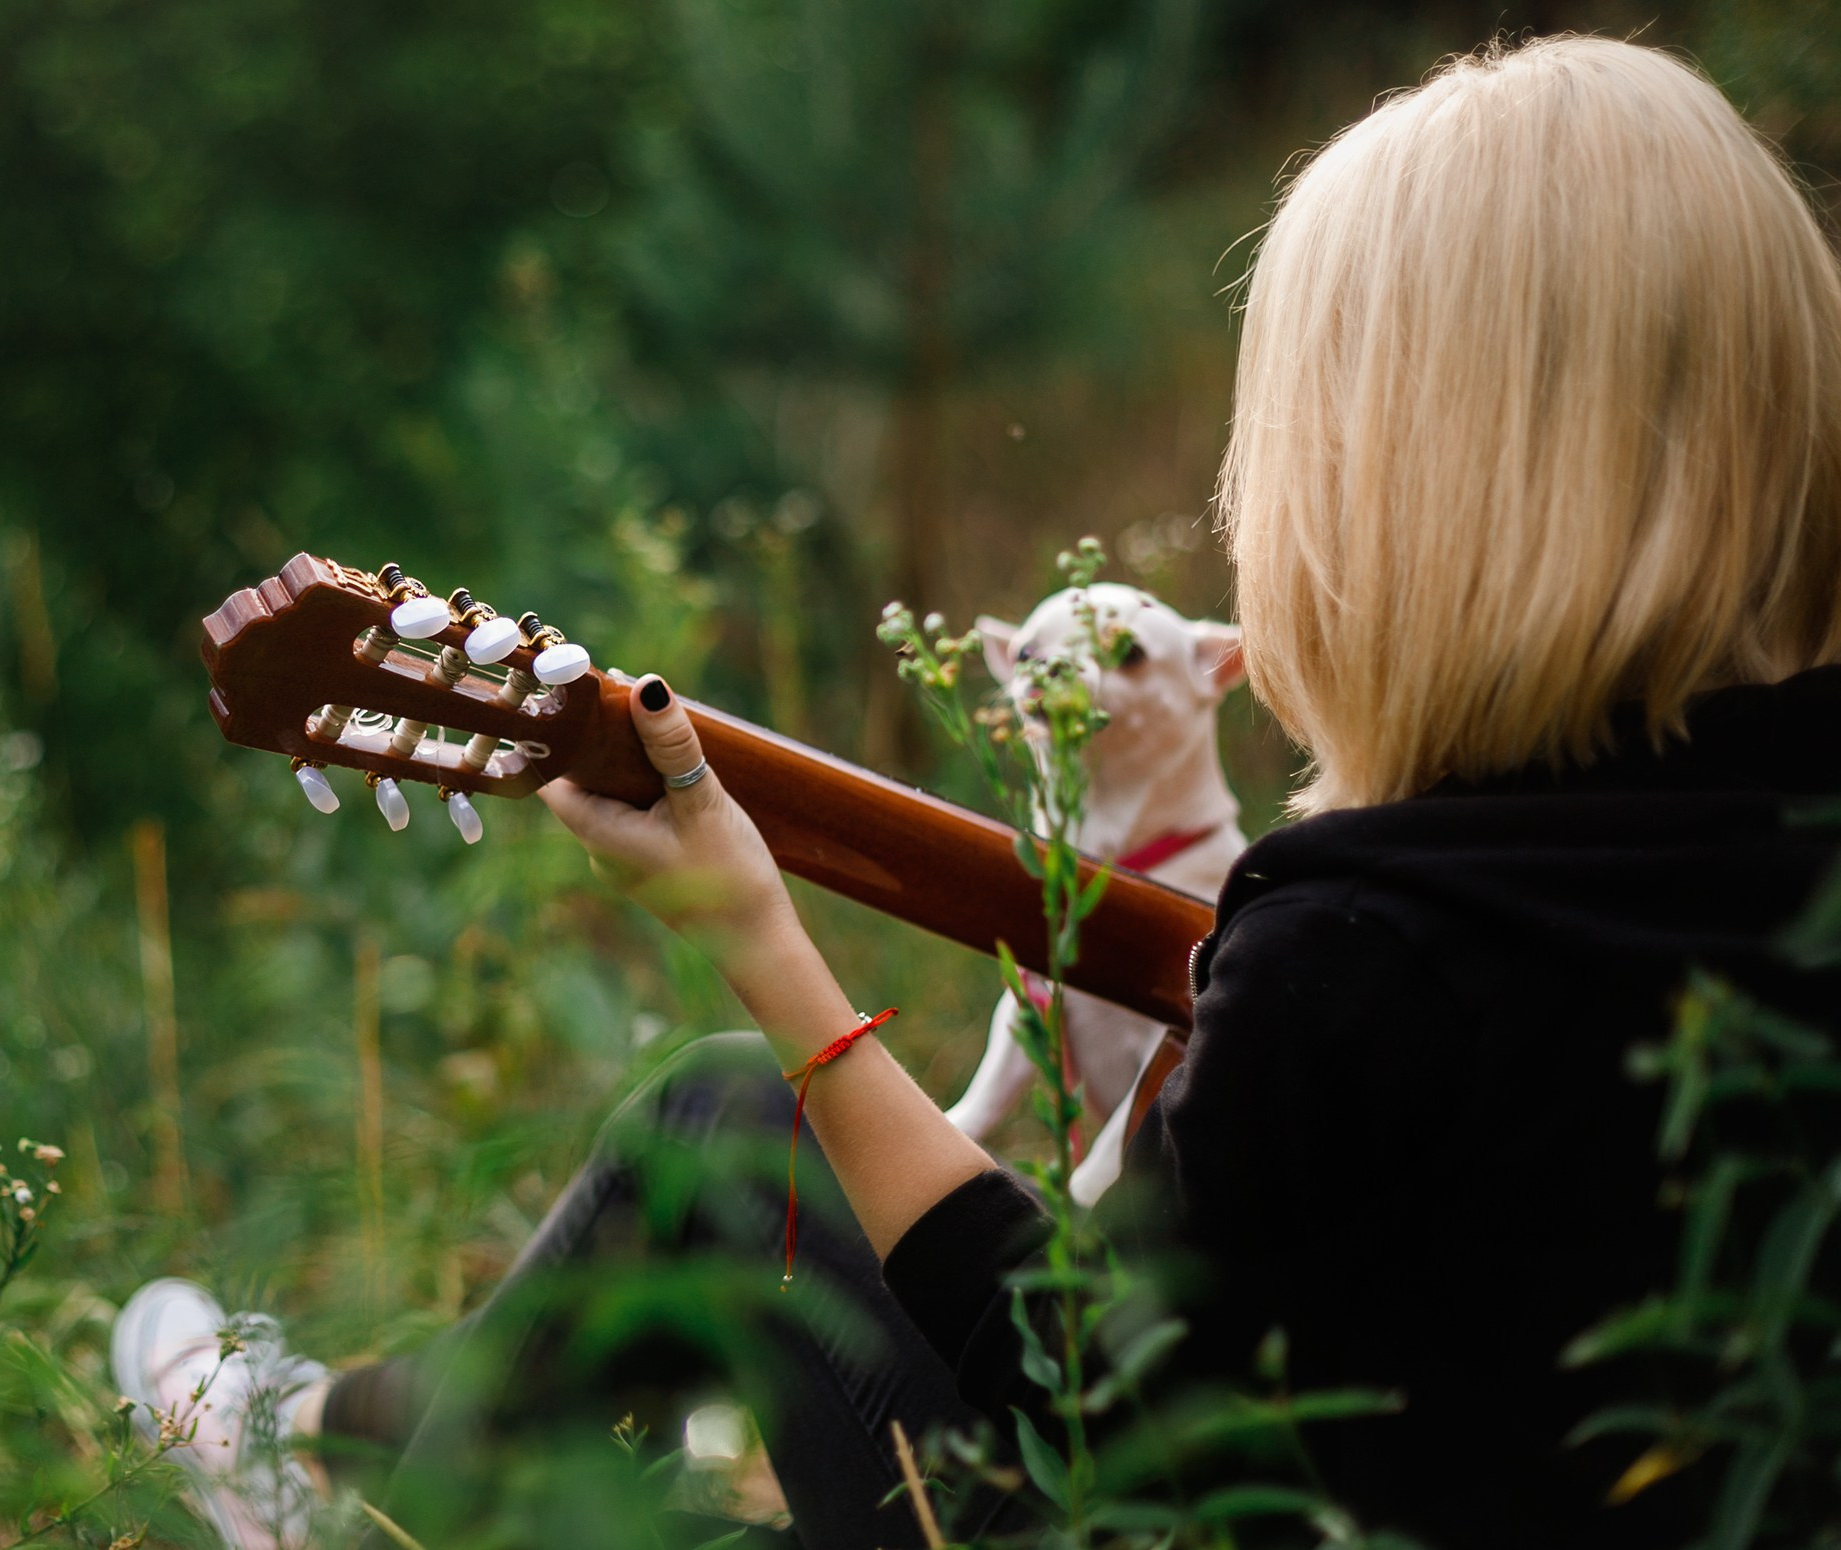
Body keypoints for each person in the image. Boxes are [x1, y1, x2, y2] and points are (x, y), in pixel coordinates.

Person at [113, 35, 1841, 1549]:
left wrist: (760, 940)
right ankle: (360, 1439)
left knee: (726, 1127)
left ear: (1393, 503)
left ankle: (327, 1449)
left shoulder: (1363, 950)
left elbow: (1080, 1398)